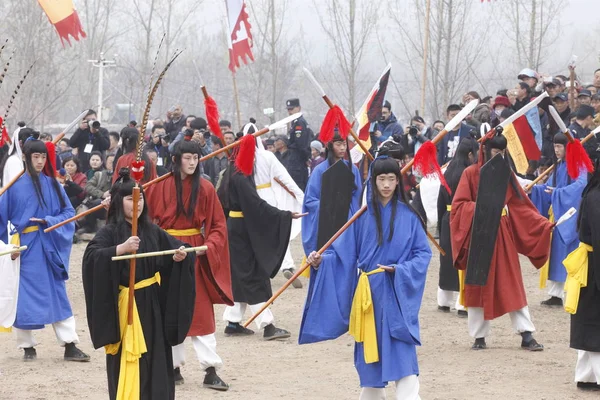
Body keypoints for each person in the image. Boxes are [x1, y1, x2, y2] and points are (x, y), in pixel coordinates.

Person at [301, 156, 432, 400]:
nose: (386, 185)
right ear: (372, 181)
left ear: (398, 181)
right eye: (381, 179)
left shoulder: (410, 216)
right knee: (370, 358)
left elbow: (423, 254)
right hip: (368, 295)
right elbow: (343, 256)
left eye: (391, 179)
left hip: (396, 293)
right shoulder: (359, 217)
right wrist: (322, 260)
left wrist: (400, 270)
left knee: (403, 352)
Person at [82, 169, 196, 399]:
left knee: (156, 358)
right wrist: (120, 249)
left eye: (140, 198)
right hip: (126, 309)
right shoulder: (109, 232)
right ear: (117, 201)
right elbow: (91, 257)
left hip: (153, 306)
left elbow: (176, 247)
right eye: (130, 199)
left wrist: (179, 256)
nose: (137, 204)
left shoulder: (151, 230)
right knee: (129, 358)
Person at [450, 133, 554, 350]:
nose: (498, 157)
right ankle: (479, 336)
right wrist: (482, 209)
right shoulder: (470, 174)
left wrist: (542, 224)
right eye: (495, 152)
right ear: (485, 151)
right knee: (477, 285)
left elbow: (520, 206)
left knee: (512, 284)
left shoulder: (506, 174)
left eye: (502, 153)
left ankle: (526, 334)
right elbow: (459, 207)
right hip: (478, 234)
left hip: (502, 235)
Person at [144, 140, 233, 391]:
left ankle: (210, 368)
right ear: (176, 159)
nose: (192, 162)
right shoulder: (157, 186)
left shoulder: (205, 188)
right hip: (166, 251)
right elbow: (143, 220)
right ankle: (172, 367)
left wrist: (209, 246)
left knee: (200, 311)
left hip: (195, 252)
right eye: (187, 157)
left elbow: (217, 225)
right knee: (168, 308)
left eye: (196, 157)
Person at [0, 139, 89, 362]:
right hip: (24, 248)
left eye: (43, 157)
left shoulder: (53, 185)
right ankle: (27, 346)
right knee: (24, 298)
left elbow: (69, 214)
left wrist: (49, 220)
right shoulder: (13, 186)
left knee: (58, 295)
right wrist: (8, 246)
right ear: (26, 158)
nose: (40, 161)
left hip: (48, 245)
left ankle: (70, 344)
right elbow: (2, 220)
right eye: (35, 157)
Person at [218, 137, 299, 339]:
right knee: (252, 275)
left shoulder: (229, 173)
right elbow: (255, 205)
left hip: (234, 228)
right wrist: (284, 215)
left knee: (240, 275)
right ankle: (267, 324)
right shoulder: (239, 176)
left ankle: (233, 321)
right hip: (242, 230)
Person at [241, 121, 305, 288]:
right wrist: (301, 197)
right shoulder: (268, 156)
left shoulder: (241, 157)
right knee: (277, 232)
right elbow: (285, 178)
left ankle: (261, 267)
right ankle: (287, 265)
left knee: (255, 233)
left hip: (250, 199)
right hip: (268, 197)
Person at [529, 133, 587, 306]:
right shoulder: (559, 166)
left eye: (560, 146)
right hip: (557, 214)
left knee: (568, 252)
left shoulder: (579, 165)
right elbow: (548, 187)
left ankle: (569, 291)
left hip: (570, 215)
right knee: (555, 254)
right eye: (555, 146)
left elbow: (580, 186)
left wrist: (558, 193)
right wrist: (534, 190)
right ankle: (555, 293)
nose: (556, 150)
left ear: (568, 147)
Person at [567, 157, 600, 391]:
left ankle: (585, 376)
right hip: (594, 263)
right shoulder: (596, 198)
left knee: (588, 319)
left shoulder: (593, 194)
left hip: (590, 261)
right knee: (593, 321)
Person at [302, 133, 362, 258]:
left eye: (344, 144)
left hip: (347, 223)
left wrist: (346, 209)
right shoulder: (319, 170)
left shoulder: (353, 169)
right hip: (326, 223)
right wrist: (329, 205)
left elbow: (358, 198)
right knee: (325, 258)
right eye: (338, 144)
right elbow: (310, 200)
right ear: (330, 145)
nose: (342, 148)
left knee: (347, 259)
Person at [437, 137, 476, 316]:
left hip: (447, 216)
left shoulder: (448, 170)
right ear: (470, 154)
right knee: (463, 257)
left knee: (446, 258)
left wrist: (441, 221)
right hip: (463, 218)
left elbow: (440, 199)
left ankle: (443, 301)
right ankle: (462, 303)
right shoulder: (468, 173)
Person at [285, 98, 312, 191]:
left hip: (298, 161)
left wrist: (306, 158)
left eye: (292, 109)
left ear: (299, 108)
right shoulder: (294, 122)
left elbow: (301, 144)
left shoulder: (299, 123)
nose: (290, 112)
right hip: (295, 160)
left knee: (298, 189)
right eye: (288, 109)